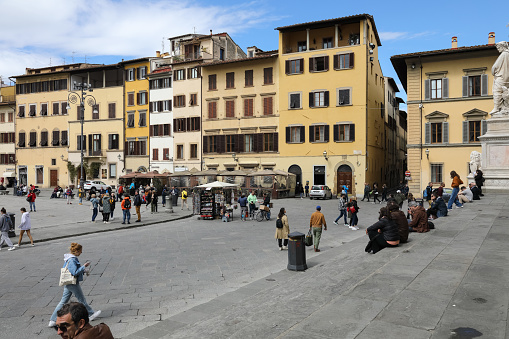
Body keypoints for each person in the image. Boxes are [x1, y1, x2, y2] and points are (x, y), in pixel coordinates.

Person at [48, 243, 101, 328]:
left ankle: (53, 320)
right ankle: (91, 314)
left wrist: (84, 270)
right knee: (81, 299)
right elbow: (74, 272)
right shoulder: (72, 260)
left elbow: (73, 270)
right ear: (76, 251)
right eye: (80, 251)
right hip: (72, 283)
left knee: (63, 301)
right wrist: (83, 267)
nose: (81, 253)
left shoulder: (69, 258)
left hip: (69, 283)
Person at [490, 41, 509, 115]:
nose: (498, 49)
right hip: (507, 78)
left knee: (497, 91)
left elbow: (495, 66)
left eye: (498, 47)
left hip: (501, 77)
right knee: (505, 93)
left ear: (502, 46)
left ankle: (496, 108)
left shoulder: (504, 54)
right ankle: (504, 107)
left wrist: (493, 71)